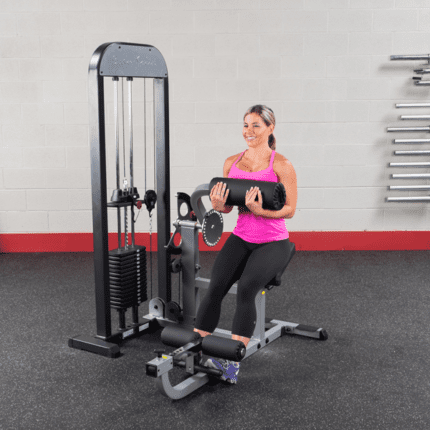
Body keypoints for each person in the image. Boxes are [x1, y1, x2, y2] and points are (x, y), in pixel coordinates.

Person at [193, 105, 298, 384]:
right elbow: (228, 207)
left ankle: (231, 363)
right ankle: (193, 350)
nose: (248, 132)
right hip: (240, 237)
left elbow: (290, 209)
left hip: (272, 241)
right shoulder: (232, 162)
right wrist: (219, 205)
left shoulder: (282, 165)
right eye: (245, 125)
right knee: (215, 288)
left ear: (270, 128)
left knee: (246, 291)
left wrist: (262, 211)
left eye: (256, 126)